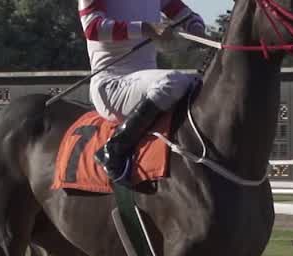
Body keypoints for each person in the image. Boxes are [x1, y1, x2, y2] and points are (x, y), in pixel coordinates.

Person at [78, 0, 208, 184]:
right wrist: (147, 28)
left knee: (200, 83)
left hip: (145, 83)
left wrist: (196, 28)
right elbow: (93, 28)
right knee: (172, 82)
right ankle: (113, 150)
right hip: (111, 84)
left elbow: (186, 15)